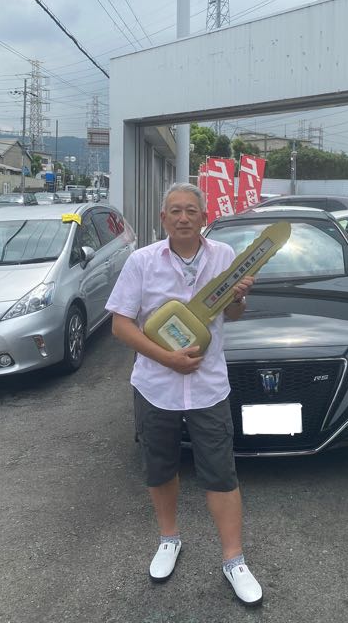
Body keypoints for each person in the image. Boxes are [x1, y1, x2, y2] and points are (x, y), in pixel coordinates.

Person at [105, 183, 262, 607]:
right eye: (174, 210)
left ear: (204, 217)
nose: (183, 217)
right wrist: (167, 359)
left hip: (209, 386)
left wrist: (239, 299)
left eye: (191, 210)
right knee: (160, 467)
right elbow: (121, 325)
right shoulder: (141, 261)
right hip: (156, 387)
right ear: (163, 218)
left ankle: (234, 560)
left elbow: (232, 315)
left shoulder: (224, 257)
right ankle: (169, 539)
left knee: (221, 472)